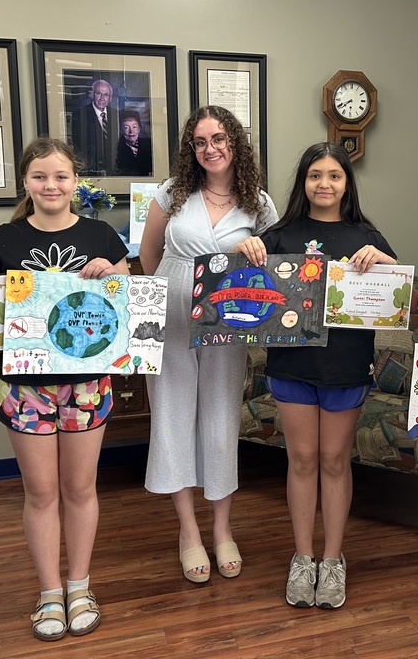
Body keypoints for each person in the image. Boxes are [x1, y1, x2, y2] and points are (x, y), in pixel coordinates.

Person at [0, 136, 129, 642]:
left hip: (87, 385)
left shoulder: (101, 234)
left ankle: (80, 587)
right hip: (26, 387)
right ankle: (49, 592)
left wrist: (111, 276)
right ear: (25, 181)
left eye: (61, 176)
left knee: (80, 489)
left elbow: (129, 305)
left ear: (76, 181)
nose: (51, 185)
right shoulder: (3, 238)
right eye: (40, 176)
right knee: (41, 493)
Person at [234, 142, 398, 610]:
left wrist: (388, 265)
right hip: (293, 366)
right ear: (303, 182)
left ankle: (332, 559)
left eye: (334, 176)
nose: (324, 184)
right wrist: (241, 250)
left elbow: (397, 299)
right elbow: (239, 287)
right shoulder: (279, 235)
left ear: (347, 183)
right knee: (302, 460)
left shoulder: (367, 237)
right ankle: (303, 557)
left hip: (346, 365)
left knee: (334, 460)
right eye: (315, 175)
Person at [140, 105, 278, 584]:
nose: (210, 149)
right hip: (171, 317)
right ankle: (188, 531)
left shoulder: (259, 204)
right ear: (190, 149)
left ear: (234, 141)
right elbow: (149, 254)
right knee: (172, 415)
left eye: (218, 138)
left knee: (220, 418)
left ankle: (222, 528)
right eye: (200, 142)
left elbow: (273, 270)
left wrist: (245, 256)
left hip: (228, 319)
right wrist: (177, 289)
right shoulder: (172, 193)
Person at [70, 79, 118, 175]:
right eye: (98, 93)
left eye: (106, 94)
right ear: (92, 95)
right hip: (90, 168)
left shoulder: (116, 114)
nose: (102, 98)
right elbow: (79, 146)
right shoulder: (80, 114)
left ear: (110, 98)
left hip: (114, 168)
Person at [115, 110, 153, 176]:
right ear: (121, 130)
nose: (131, 131)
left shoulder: (149, 145)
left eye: (134, 127)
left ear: (139, 129)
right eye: (126, 128)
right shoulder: (117, 149)